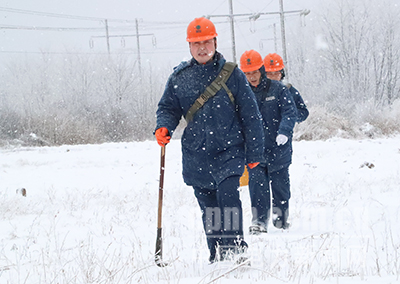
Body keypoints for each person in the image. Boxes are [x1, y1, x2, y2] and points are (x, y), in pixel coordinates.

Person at [155, 18, 265, 263]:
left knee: (228, 195)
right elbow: (168, 108)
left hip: (229, 150)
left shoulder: (232, 74)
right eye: (196, 43)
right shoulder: (179, 77)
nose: (202, 48)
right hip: (197, 153)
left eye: (206, 42)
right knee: (209, 207)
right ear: (189, 46)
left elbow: (251, 115)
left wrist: (255, 153)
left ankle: (235, 247)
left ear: (215, 41)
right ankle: (216, 253)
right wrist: (163, 126)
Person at [239, 50, 298, 234]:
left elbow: (291, 112)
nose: (251, 77)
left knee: (280, 188)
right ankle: (259, 221)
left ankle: (281, 220)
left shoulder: (278, 89)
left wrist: (284, 131)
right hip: (255, 150)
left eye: (255, 72)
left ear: (262, 70)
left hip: (278, 148)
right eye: (247, 73)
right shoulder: (241, 92)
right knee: (257, 187)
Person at [264, 53, 309, 123]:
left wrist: (288, 115)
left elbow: (303, 112)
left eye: (276, 73)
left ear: (282, 74)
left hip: (285, 132)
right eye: (269, 74)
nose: (273, 77)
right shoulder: (258, 91)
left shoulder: (289, 90)